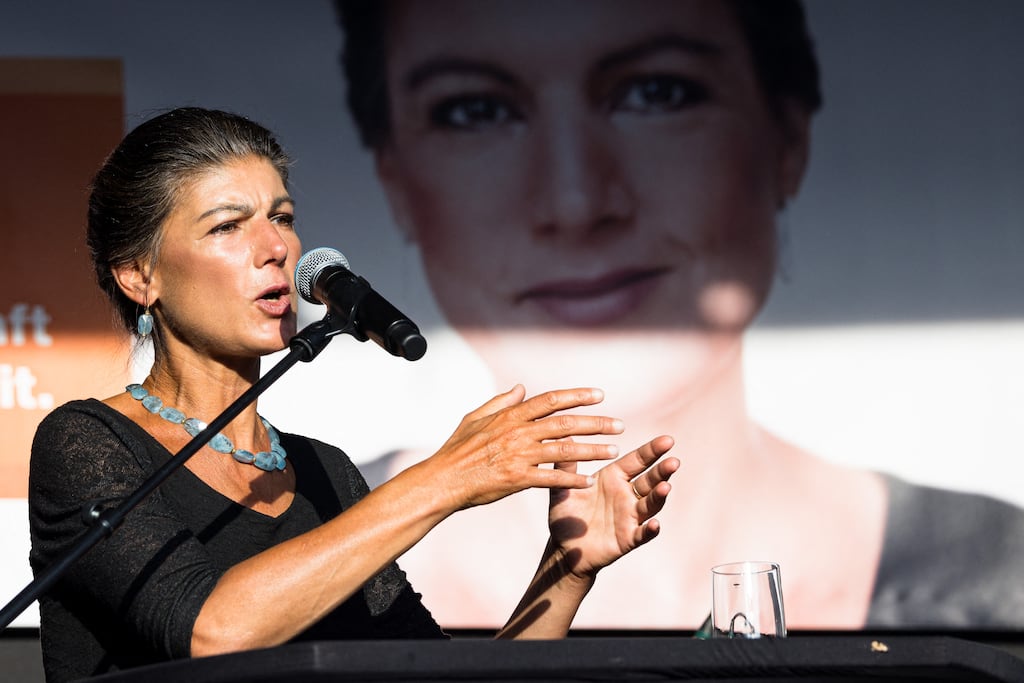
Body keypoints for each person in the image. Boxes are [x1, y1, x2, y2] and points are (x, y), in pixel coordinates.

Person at [334, 0, 1024, 630]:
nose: (576, 202)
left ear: (787, 135)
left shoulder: (998, 567)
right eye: (474, 110)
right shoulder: (310, 551)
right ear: (392, 173)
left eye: (655, 92)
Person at [27, 106, 679, 683]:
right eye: (228, 226)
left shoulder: (325, 471)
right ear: (140, 275)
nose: (275, 247)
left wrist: (564, 569)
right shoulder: (85, 443)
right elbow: (211, 631)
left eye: (282, 216)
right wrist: (448, 477)